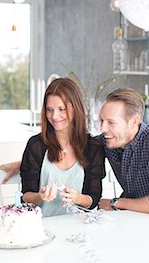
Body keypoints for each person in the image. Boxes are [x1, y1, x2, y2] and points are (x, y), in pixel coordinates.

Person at [0, 87, 149, 216]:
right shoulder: (108, 140)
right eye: (101, 120)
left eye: (111, 122)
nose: (103, 128)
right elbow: (75, 150)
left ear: (134, 121)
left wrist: (114, 203)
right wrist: (26, 163)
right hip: (132, 217)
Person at [18, 77, 105, 216]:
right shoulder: (36, 145)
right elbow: (25, 196)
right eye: (49, 109)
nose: (54, 116)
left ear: (75, 108)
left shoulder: (93, 147)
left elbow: (93, 199)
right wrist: (39, 197)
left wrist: (77, 198)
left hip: (79, 229)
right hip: (42, 229)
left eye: (61, 109)